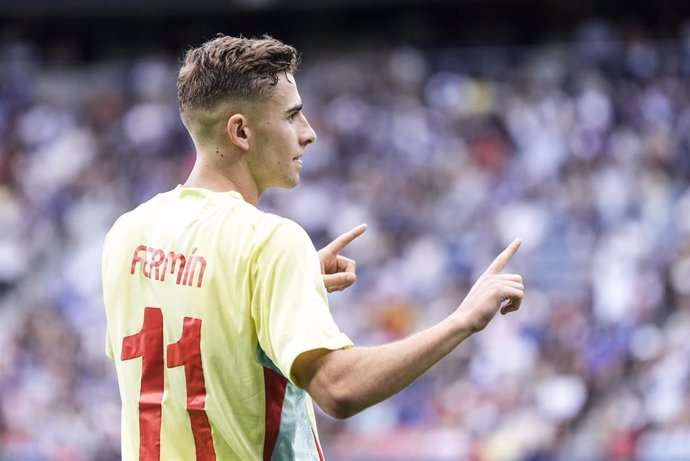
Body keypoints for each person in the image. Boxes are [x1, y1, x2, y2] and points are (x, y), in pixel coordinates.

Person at [101, 34, 524, 461]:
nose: (310, 134)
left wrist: (281, 288)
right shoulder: (270, 242)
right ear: (241, 131)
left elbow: (188, 332)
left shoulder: (127, 233)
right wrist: (463, 321)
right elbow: (339, 390)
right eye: (293, 116)